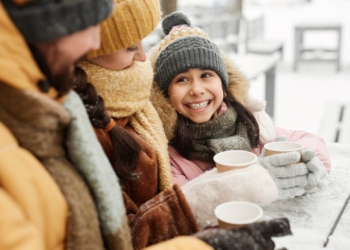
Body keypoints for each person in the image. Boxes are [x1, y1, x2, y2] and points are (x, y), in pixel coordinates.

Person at [73, 0, 280, 248]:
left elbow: (295, 140)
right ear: (88, 49)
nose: (142, 56)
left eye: (142, 41)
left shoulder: (137, 107)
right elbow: (120, 235)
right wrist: (201, 200)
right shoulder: (97, 130)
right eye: (130, 46)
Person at [149, 12, 330, 201]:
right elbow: (184, 205)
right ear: (165, 94)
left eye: (206, 75)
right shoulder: (166, 151)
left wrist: (309, 164)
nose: (197, 89)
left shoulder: (250, 123)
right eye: (182, 79)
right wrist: (253, 180)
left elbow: (307, 139)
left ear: (224, 87)